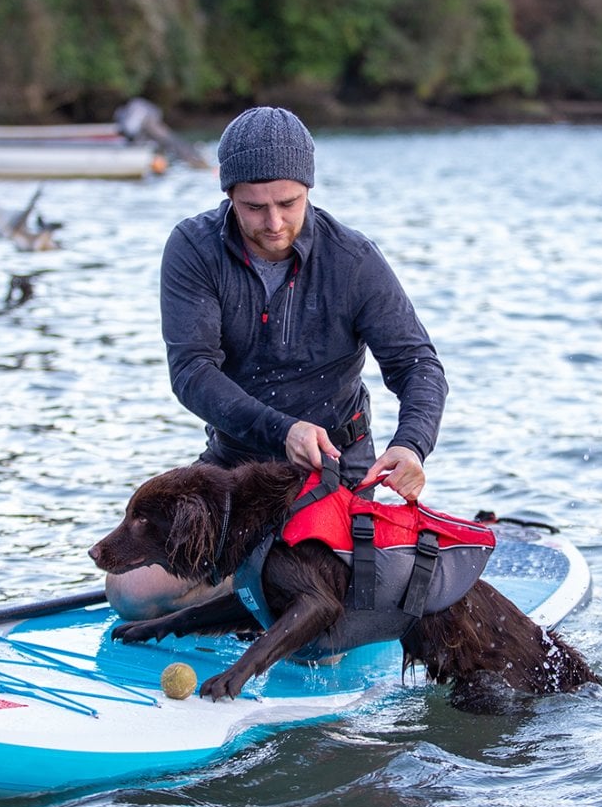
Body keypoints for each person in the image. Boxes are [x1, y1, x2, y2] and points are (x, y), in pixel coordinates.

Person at [104, 106, 448, 619]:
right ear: (229, 195)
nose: (274, 223)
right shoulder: (192, 248)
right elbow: (191, 371)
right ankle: (254, 584)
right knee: (128, 594)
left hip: (335, 471)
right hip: (233, 470)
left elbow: (417, 365)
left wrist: (411, 444)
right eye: (254, 207)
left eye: (288, 203)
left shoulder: (354, 260)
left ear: (308, 188)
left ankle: (275, 585)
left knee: (322, 623)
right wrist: (282, 430)